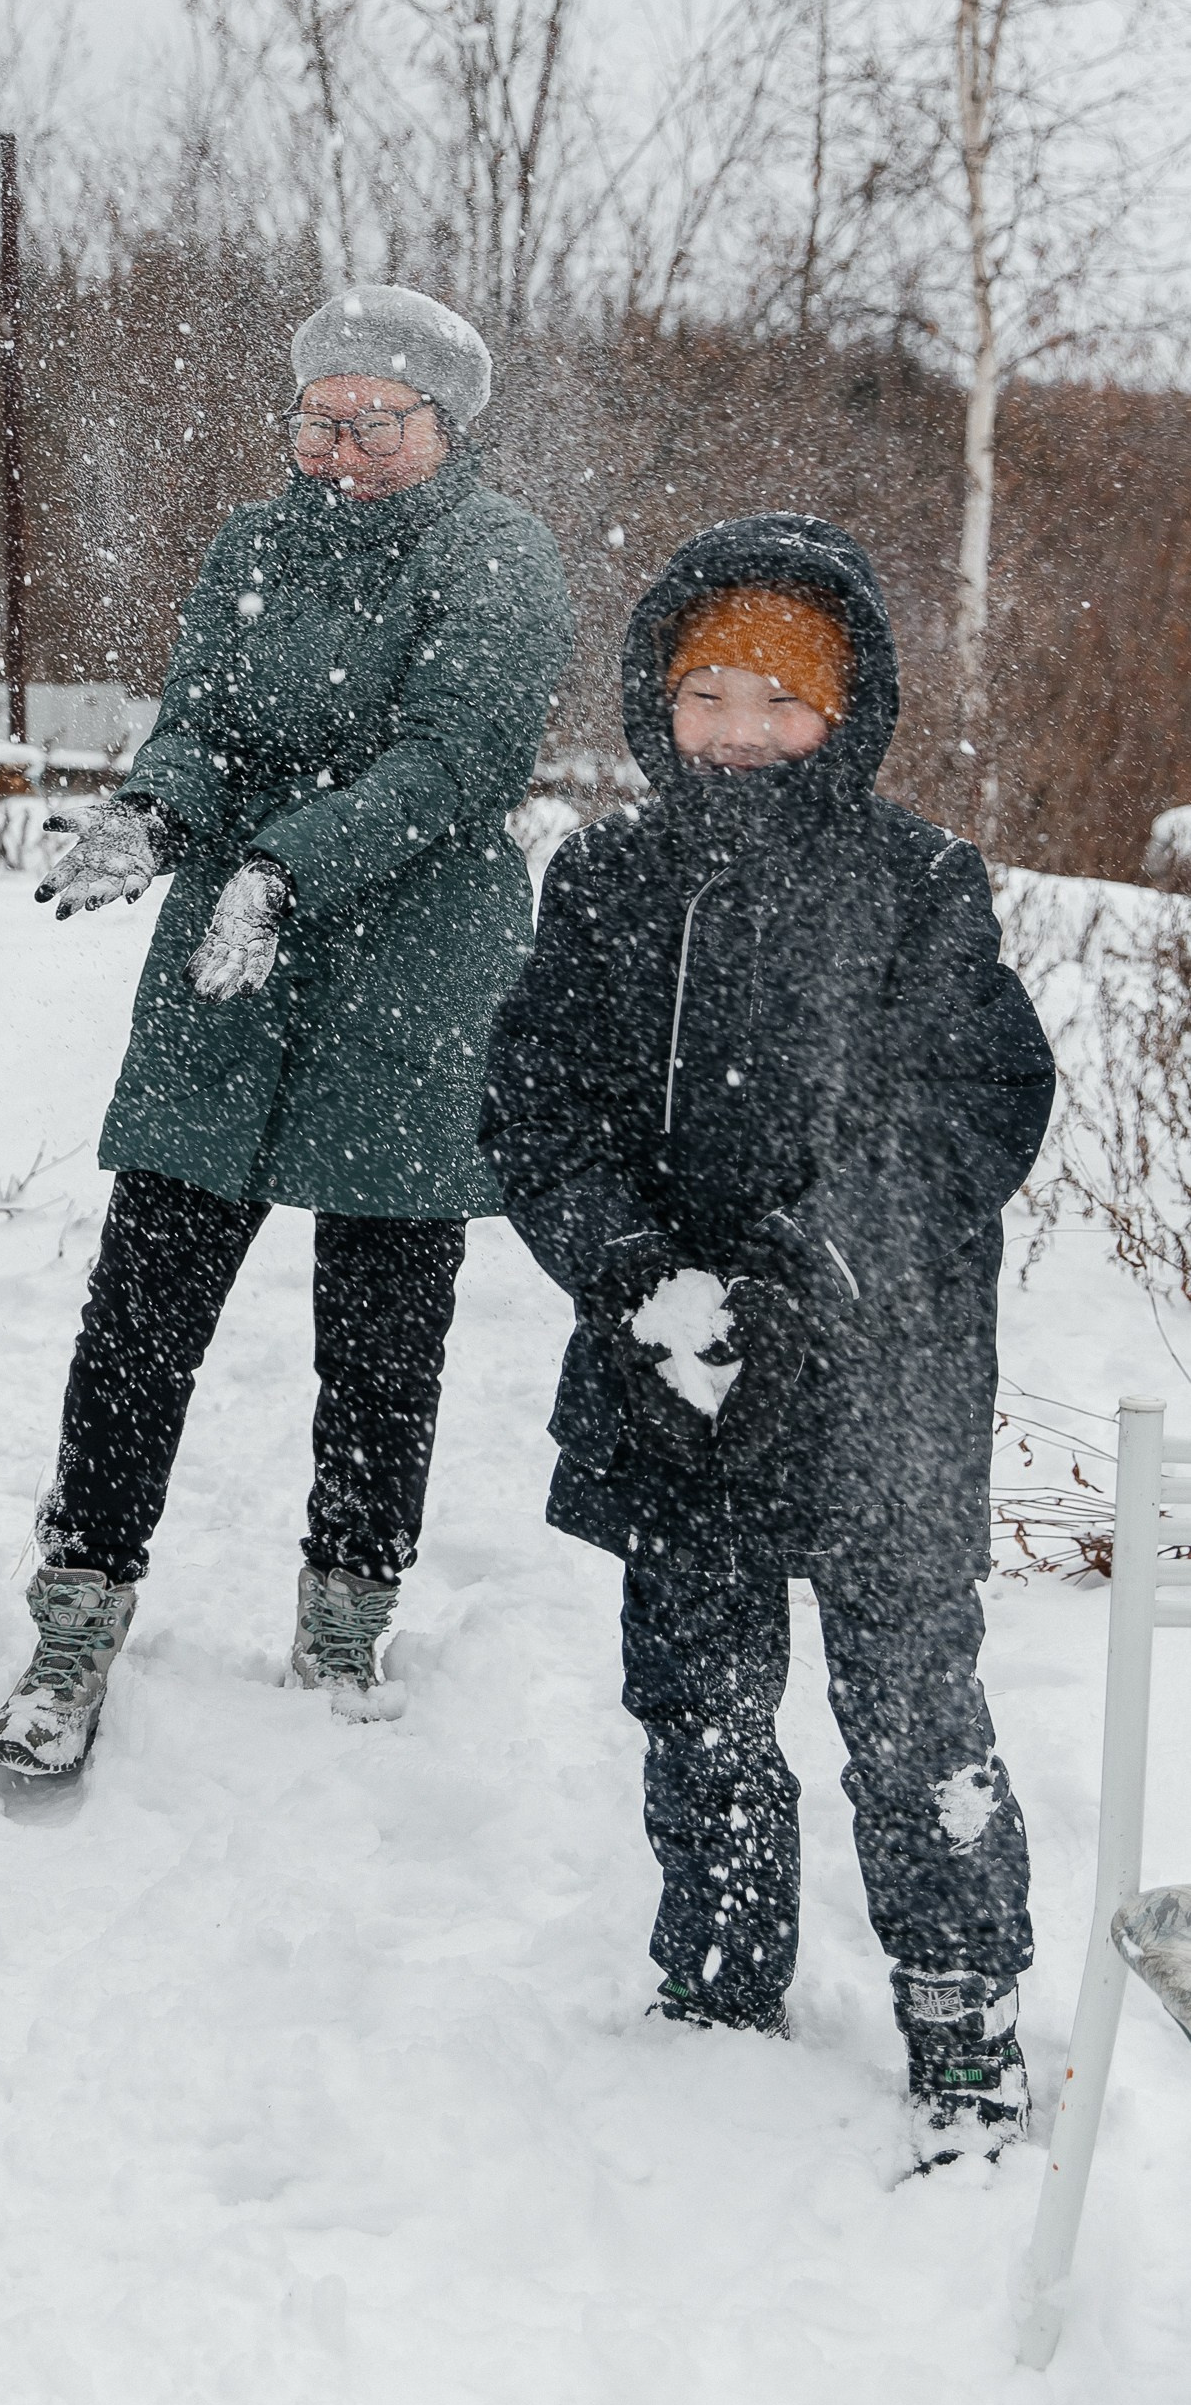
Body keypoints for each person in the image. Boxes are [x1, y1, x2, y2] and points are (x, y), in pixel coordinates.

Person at [478, 517, 1056, 2163]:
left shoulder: (917, 881)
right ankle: (720, 1982)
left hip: (882, 1377)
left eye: (776, 697)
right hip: (678, 1372)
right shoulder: (603, 878)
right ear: (659, 701)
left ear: (844, 710)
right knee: (701, 1700)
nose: (735, 725)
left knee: (909, 1711)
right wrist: (646, 1281)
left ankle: (957, 2002)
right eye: (705, 690)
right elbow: (539, 1111)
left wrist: (816, 1267)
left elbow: (976, 1103)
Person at [0, 285, 573, 1779]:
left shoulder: (493, 556)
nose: (341, 448)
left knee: (383, 1329)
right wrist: (158, 808)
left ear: (447, 428)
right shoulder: (252, 546)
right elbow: (201, 719)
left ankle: (343, 1619)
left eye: (376, 422)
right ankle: (74, 1610)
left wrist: (278, 868)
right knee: (140, 1311)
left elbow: (457, 760)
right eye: (319, 417)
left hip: (410, 974)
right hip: (228, 973)